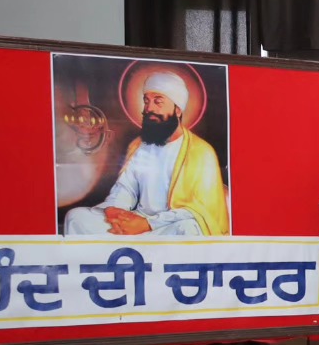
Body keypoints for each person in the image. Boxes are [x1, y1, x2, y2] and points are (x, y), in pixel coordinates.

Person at [64, 67, 228, 236]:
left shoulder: (201, 152)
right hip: (137, 221)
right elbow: (126, 189)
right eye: (146, 101)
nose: (149, 108)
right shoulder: (139, 146)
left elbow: (200, 210)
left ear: (177, 109)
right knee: (76, 218)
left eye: (158, 102)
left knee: (189, 228)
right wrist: (114, 210)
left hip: (167, 226)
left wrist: (149, 224)